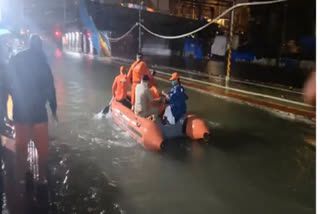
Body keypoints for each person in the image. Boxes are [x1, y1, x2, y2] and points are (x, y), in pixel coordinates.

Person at [7, 35, 57, 194]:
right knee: (42, 149)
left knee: (21, 147)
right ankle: (42, 178)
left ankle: (25, 174)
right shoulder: (43, 63)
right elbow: (50, 89)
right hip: (38, 114)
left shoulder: (15, 60)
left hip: (20, 113)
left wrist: (4, 113)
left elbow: (6, 85)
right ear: (40, 46)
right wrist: (53, 109)